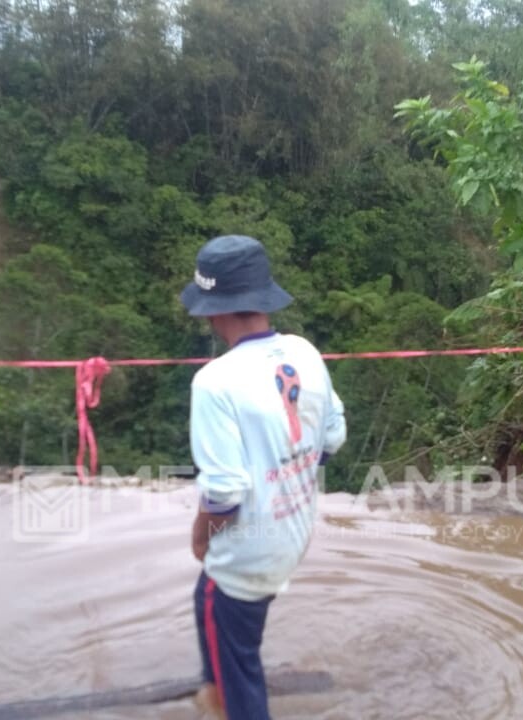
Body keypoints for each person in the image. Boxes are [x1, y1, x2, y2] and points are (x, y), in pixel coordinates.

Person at [179, 235, 347, 720]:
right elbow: (331, 436)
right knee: (212, 607)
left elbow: (225, 493)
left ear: (214, 311)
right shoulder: (304, 352)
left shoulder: (215, 381)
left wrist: (199, 537)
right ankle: (213, 687)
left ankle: (228, 697)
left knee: (241, 679)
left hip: (247, 549)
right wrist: (290, 477)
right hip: (291, 533)